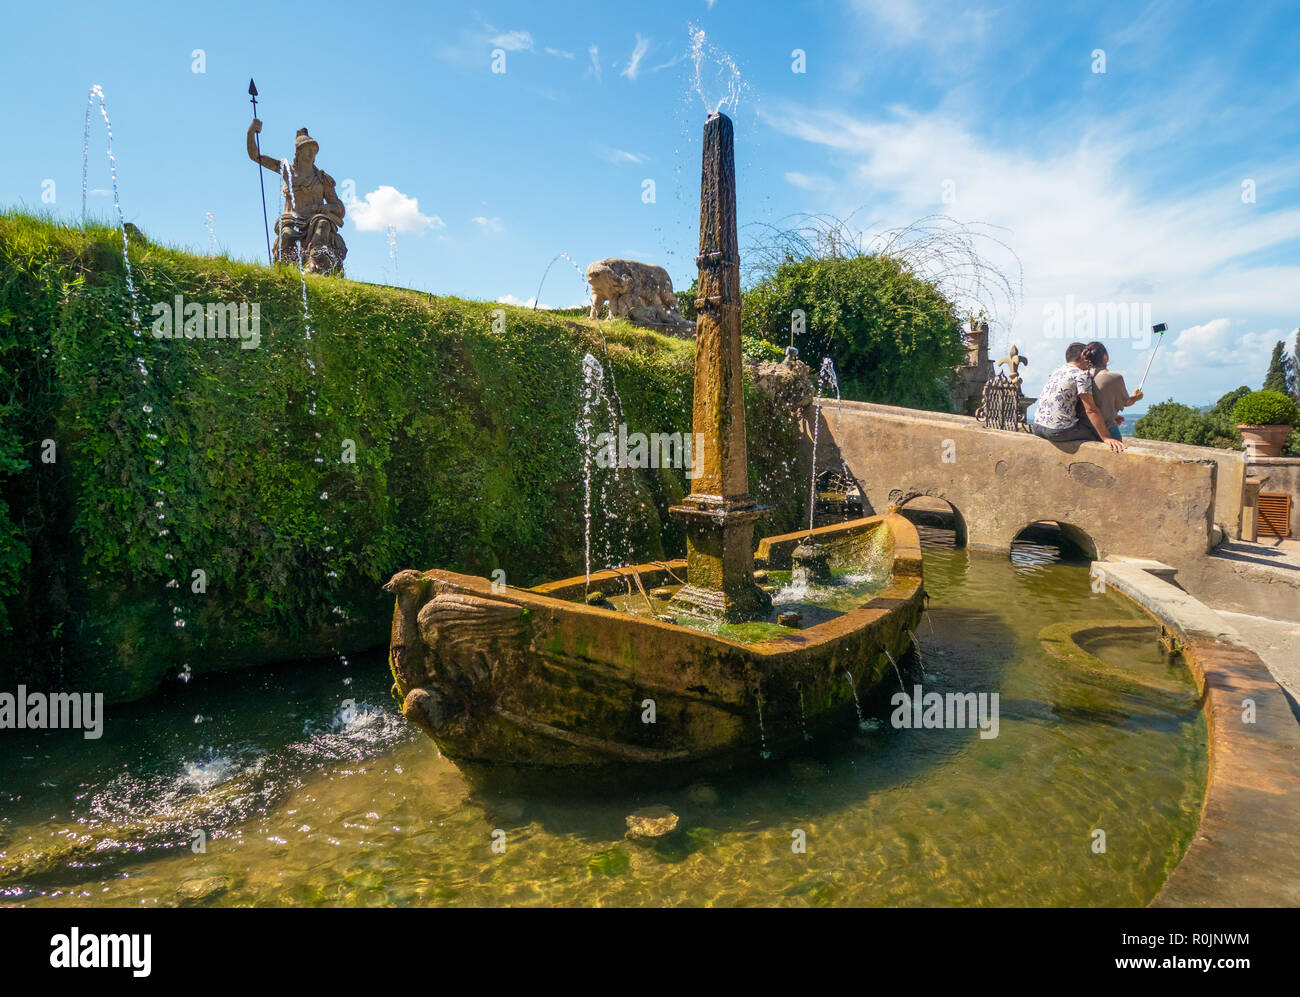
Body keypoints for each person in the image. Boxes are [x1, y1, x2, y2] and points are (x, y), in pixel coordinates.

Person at [1031, 343, 1126, 452]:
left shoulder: (1057, 370)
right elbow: (1090, 410)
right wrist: (1106, 437)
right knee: (1096, 433)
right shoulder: (1081, 375)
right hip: (1058, 431)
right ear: (1082, 356)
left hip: (1037, 427)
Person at [1081, 341, 1143, 440]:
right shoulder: (1114, 377)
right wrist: (1136, 397)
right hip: (1107, 430)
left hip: (1084, 431)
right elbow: (1127, 402)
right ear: (1105, 356)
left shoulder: (1081, 376)